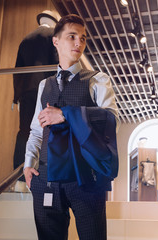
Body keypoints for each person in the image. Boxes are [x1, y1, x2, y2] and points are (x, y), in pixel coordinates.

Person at [23, 14, 119, 240]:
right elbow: (36, 131)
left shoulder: (98, 80)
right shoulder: (43, 85)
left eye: (83, 38)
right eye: (72, 36)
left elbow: (111, 120)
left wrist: (65, 115)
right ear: (56, 41)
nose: (79, 43)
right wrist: (28, 166)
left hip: (86, 179)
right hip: (45, 178)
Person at [12, 10, 59, 192]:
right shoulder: (53, 36)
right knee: (45, 130)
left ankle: (19, 179)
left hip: (25, 92)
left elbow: (17, 70)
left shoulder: (26, 39)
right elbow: (56, 65)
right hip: (44, 89)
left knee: (24, 132)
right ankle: (42, 176)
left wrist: (16, 97)